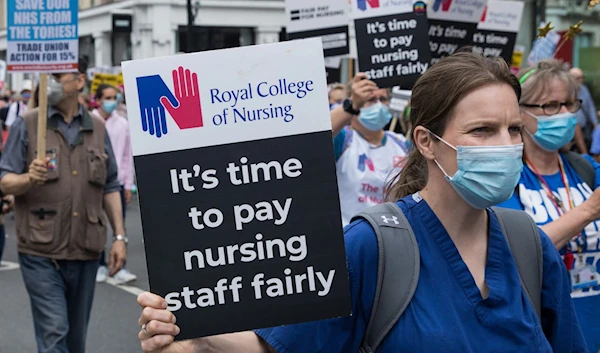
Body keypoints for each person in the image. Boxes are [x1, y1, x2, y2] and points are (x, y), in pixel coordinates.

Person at [135, 52, 587, 353]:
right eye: (482, 131)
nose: (505, 146)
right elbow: (284, 345)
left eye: (513, 130)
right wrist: (191, 331)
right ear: (426, 142)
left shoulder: (528, 245)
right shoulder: (371, 246)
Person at [0, 57, 128, 353]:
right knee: (55, 332)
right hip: (40, 249)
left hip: (85, 248)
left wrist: (119, 237)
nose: (52, 82)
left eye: (58, 75)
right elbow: (4, 179)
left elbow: (110, 184)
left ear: (80, 80)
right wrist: (28, 178)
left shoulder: (97, 127)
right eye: (48, 75)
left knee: (74, 341)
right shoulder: (28, 124)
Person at [498, 59, 600, 352]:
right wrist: (589, 210)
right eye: (550, 106)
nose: (565, 114)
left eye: (569, 104)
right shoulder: (508, 177)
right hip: (542, 333)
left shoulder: (584, 168)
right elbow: (522, 248)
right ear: (521, 113)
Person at [331, 75, 408, 226]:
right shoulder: (343, 140)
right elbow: (317, 137)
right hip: (351, 238)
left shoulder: (402, 144)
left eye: (383, 99)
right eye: (371, 100)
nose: (379, 106)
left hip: (394, 238)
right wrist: (351, 105)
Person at [92, 83, 137, 284]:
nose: (111, 101)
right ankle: (99, 265)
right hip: (93, 181)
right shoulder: (90, 121)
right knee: (95, 224)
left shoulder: (123, 124)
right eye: (107, 97)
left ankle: (120, 267)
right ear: (99, 99)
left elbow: (127, 156)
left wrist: (127, 184)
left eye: (114, 97)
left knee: (119, 225)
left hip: (116, 182)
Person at [570, 67, 598, 151]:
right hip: (571, 129)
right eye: (578, 78)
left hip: (584, 128)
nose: (581, 80)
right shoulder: (565, 91)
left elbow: (590, 107)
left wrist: (595, 123)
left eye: (582, 77)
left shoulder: (584, 89)